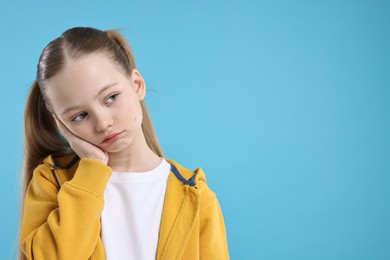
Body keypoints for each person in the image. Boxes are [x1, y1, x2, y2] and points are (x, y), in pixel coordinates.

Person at [19, 27, 229, 260]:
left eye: (111, 98)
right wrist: (92, 168)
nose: (103, 123)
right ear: (60, 123)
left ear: (137, 84)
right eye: (79, 116)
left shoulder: (196, 196)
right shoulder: (52, 181)